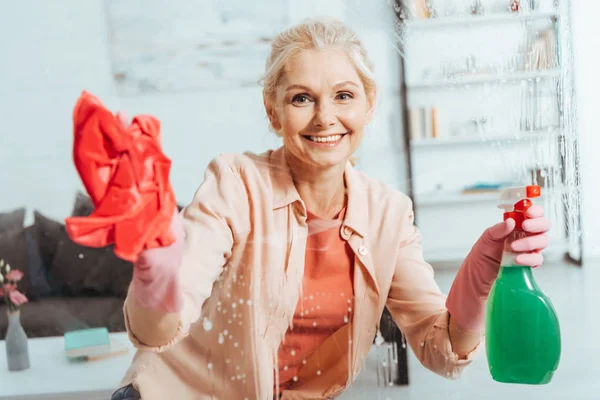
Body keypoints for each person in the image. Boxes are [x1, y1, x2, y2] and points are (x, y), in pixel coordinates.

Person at [110, 17, 550, 400]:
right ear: (273, 111)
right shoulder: (235, 184)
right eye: (302, 98)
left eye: (344, 95)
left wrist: (482, 273)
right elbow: (158, 331)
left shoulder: (388, 213)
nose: (325, 118)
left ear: (368, 104)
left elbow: (443, 351)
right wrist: (156, 275)